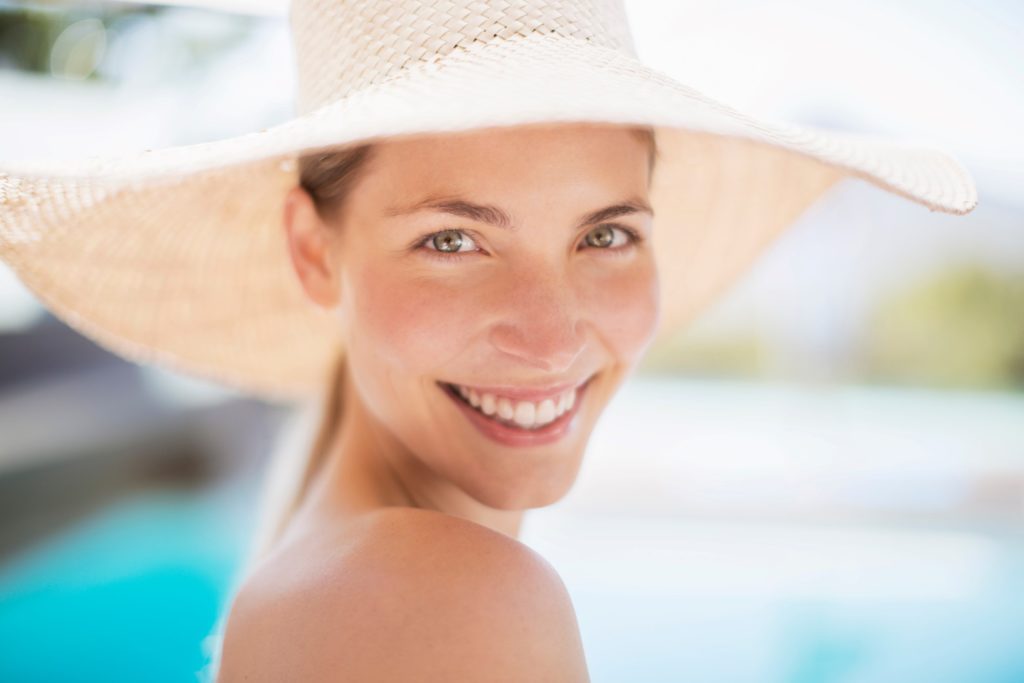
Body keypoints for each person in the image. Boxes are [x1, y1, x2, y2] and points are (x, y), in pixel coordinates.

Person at [0, 1, 977, 681]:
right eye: (454, 239)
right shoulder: (440, 596)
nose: (551, 336)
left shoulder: (340, 558)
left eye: (604, 233)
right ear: (314, 249)